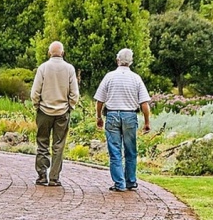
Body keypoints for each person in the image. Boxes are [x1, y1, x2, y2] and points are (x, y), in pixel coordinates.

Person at [94, 48, 151, 192]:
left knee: (115, 151)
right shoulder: (136, 78)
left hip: (112, 114)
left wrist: (99, 116)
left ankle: (119, 183)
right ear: (131, 61)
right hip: (130, 115)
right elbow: (144, 103)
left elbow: (100, 100)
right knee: (130, 150)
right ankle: (131, 181)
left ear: (117, 59)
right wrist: (147, 122)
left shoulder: (109, 77)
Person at [30, 41, 80, 186]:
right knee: (58, 145)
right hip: (62, 112)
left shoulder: (43, 68)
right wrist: (70, 106)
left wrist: (37, 105)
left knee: (42, 143)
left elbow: (35, 91)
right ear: (63, 53)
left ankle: (41, 175)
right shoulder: (69, 69)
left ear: (49, 52)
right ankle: (54, 177)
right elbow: (74, 93)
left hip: (44, 111)